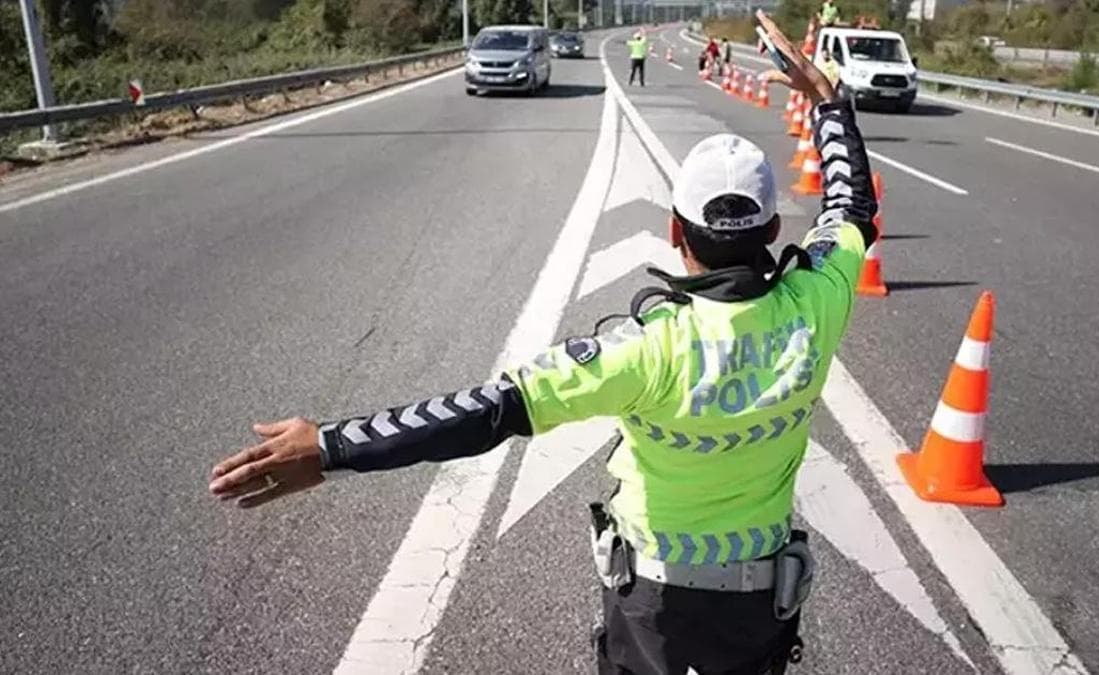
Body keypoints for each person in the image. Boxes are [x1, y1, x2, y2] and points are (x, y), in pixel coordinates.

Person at [207, 9, 878, 674]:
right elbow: (850, 209)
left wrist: (330, 447)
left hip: (655, 611)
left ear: (676, 231)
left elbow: (484, 412)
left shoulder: (645, 349)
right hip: (761, 606)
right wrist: (827, 103)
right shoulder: (818, 301)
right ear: (769, 232)